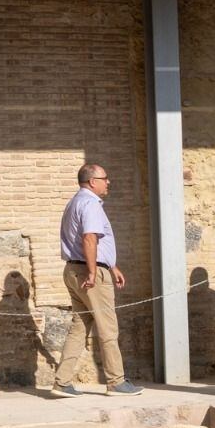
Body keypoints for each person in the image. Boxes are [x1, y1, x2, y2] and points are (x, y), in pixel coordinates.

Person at [51, 163, 143, 397]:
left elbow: (94, 244)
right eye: (105, 178)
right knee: (108, 327)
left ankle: (62, 381)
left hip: (73, 270)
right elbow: (89, 239)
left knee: (79, 327)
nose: (108, 182)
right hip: (89, 273)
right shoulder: (90, 204)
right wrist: (93, 272)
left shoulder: (75, 202)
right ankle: (116, 381)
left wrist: (112, 265)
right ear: (92, 181)